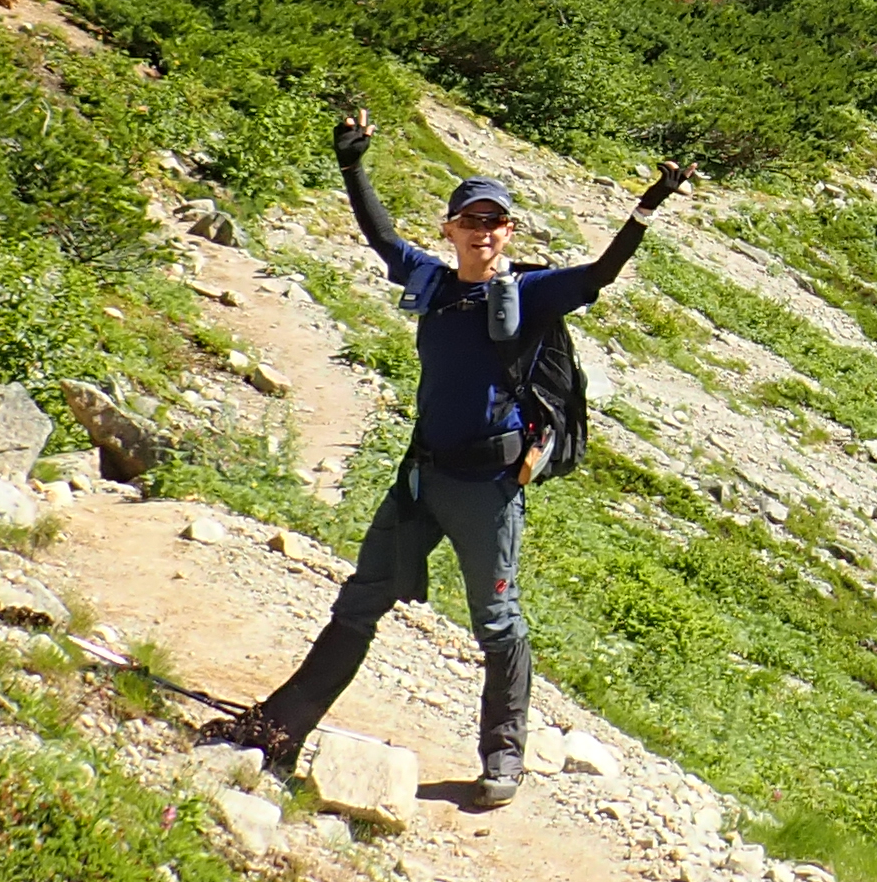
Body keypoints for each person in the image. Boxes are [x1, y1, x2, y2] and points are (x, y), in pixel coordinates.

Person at [202, 104, 691, 805]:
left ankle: (503, 761)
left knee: (497, 624)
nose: (483, 232)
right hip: (422, 477)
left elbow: (599, 276)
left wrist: (646, 208)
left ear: (509, 230)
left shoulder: (531, 292)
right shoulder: (430, 282)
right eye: (471, 220)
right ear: (451, 229)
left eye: (495, 221)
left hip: (488, 489)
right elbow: (379, 235)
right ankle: (277, 733)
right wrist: (352, 161)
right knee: (360, 601)